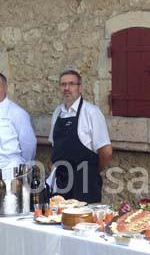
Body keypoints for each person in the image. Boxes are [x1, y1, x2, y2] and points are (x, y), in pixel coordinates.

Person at [48, 69, 112, 203]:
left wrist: (91, 170)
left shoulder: (92, 112)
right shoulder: (57, 113)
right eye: (63, 84)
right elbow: (55, 147)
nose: (67, 88)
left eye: (71, 84)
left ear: (80, 87)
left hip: (85, 182)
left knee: (84, 222)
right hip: (62, 181)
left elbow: (106, 151)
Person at [0, 71, 37, 179]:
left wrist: (22, 170)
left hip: (11, 174)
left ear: (5, 88)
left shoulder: (17, 113)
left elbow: (29, 144)